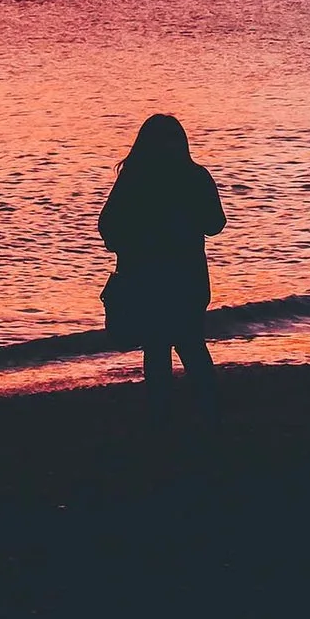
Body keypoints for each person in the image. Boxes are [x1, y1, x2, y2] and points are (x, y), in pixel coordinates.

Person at [97, 113, 225, 421]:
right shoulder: (195, 176)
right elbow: (216, 224)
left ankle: (162, 414)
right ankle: (207, 413)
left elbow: (107, 225)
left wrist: (128, 243)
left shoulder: (134, 177)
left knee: (156, 347)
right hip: (188, 277)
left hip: (146, 277)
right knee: (191, 343)